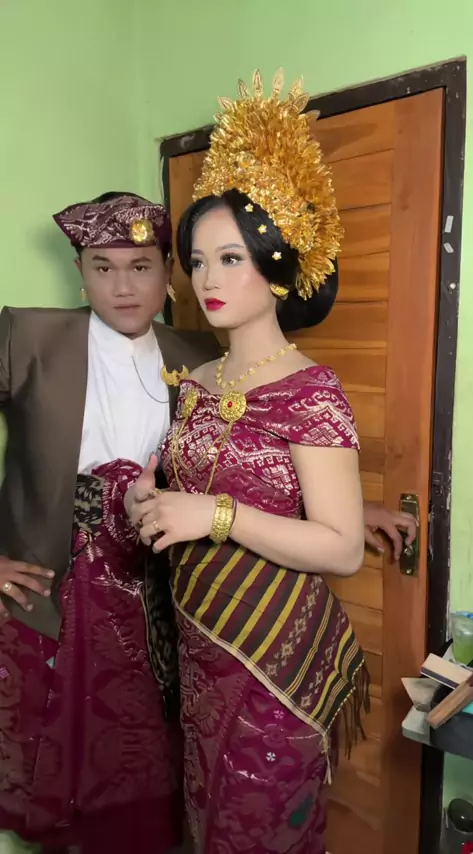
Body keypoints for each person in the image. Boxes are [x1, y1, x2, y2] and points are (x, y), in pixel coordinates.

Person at [125, 70, 409, 854]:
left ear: (279, 265)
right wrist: (150, 497)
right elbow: (181, 487)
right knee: (204, 819)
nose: (207, 279)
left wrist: (214, 515)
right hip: (199, 647)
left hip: (272, 661)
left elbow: (341, 547)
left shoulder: (313, 393)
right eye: (197, 260)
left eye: (231, 257)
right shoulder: (197, 380)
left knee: (258, 832)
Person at [0, 191, 220, 854]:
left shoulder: (196, 351)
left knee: (148, 766)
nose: (123, 287)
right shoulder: (28, 336)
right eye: (103, 267)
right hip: (57, 588)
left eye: (141, 266)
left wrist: (345, 505)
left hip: (161, 593)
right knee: (64, 769)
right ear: (80, 271)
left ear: (167, 272)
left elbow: (246, 456)